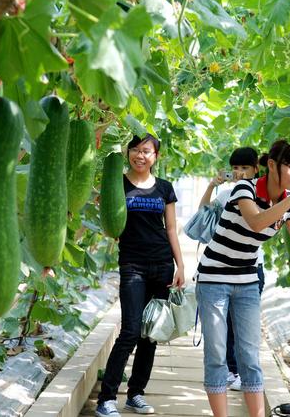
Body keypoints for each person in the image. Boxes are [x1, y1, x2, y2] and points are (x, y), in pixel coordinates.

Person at [195, 140, 290, 417]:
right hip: (213, 279)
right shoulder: (244, 189)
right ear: (272, 165)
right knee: (217, 354)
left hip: (246, 281)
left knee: (249, 356)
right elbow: (257, 222)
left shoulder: (288, 204)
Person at [96, 134, 185, 417]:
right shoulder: (117, 183)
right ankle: (106, 398)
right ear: (127, 153)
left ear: (155, 156)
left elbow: (170, 229)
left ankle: (136, 393)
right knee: (131, 331)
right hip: (132, 264)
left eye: (146, 150)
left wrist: (180, 265)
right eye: (134, 149)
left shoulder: (165, 188)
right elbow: (109, 219)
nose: (139, 155)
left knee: (150, 335)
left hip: (162, 264)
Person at [197, 147, 262, 391]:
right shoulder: (226, 194)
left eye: (244, 168)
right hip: (220, 269)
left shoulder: (261, 193)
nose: (239, 173)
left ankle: (235, 372)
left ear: (256, 169)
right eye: (235, 168)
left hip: (251, 269)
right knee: (220, 330)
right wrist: (212, 186)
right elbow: (202, 211)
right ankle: (228, 372)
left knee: (241, 331)